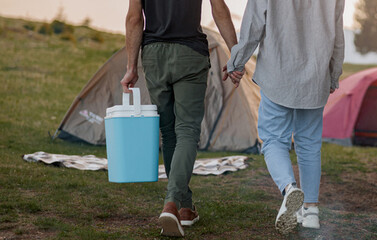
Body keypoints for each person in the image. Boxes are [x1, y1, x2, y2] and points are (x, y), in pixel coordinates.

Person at [120, 0, 239, 237]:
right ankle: (172, 202)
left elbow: (134, 18)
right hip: (190, 53)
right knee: (187, 130)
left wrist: (131, 67)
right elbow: (220, 9)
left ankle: (185, 208)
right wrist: (236, 52)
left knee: (169, 132)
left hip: (154, 54)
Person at [225, 0, 345, 234]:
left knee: (273, 140)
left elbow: (252, 26)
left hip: (278, 74)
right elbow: (337, 34)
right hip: (315, 75)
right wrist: (333, 74)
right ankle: (311, 212)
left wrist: (236, 63)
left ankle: (290, 190)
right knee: (309, 145)